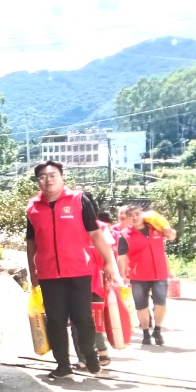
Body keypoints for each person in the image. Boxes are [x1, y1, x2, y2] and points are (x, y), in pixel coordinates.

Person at [24, 161, 119, 379]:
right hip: (48, 273)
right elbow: (31, 242)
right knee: (55, 320)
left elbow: (95, 234)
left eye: (53, 175)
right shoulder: (33, 207)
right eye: (42, 177)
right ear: (38, 181)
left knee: (82, 317)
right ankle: (63, 365)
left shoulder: (79, 200)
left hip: (78, 270)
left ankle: (90, 355)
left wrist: (109, 262)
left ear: (61, 177)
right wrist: (33, 271)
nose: (48, 180)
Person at [117, 203, 178, 345]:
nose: (134, 218)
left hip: (159, 274)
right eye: (130, 215)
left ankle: (157, 330)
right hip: (138, 276)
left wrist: (169, 230)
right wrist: (122, 276)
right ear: (127, 218)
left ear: (142, 214)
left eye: (137, 214)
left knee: (160, 303)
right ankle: (145, 332)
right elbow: (121, 257)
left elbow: (171, 236)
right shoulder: (124, 235)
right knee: (141, 305)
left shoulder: (155, 228)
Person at [71, 197, 115, 370]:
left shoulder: (102, 228)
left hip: (96, 280)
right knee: (77, 321)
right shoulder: (69, 225)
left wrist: (114, 276)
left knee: (93, 319)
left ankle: (101, 351)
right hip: (75, 277)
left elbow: (110, 255)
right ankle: (83, 357)